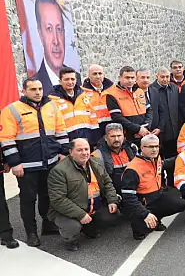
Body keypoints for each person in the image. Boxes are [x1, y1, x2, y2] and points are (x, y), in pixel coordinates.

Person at [0, 77, 68, 247]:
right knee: (28, 200)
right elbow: (6, 139)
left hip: (50, 162)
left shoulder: (51, 106)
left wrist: (63, 153)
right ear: (24, 91)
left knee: (48, 196)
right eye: (33, 89)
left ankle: (48, 224)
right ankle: (31, 232)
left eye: (39, 89)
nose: (37, 92)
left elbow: (60, 130)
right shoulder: (12, 110)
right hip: (27, 166)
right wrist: (14, 162)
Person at [47, 138, 119, 251]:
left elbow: (107, 183)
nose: (84, 153)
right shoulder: (59, 171)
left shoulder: (96, 163)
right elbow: (58, 200)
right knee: (73, 227)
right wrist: (80, 215)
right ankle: (69, 239)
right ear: (71, 152)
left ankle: (88, 227)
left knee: (112, 216)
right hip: (69, 211)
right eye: (79, 150)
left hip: (92, 206)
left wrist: (112, 200)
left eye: (86, 149)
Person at [121, 135, 185, 240]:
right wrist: (145, 214)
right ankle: (140, 225)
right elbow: (128, 197)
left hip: (157, 195)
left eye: (156, 146)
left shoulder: (156, 158)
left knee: (181, 204)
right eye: (150, 147)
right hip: (142, 203)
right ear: (142, 148)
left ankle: (156, 218)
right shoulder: (132, 169)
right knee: (144, 229)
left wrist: (183, 156)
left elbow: (164, 164)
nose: (155, 149)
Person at [105, 66, 152, 145]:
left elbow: (149, 110)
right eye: (127, 78)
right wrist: (138, 129)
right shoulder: (111, 94)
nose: (130, 80)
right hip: (127, 137)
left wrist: (146, 126)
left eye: (132, 78)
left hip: (144, 133)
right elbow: (117, 117)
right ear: (120, 78)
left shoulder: (139, 91)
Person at [32, 0, 70, 91]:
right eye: (49, 29)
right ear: (40, 33)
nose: (56, 41)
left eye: (59, 29)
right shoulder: (35, 85)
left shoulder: (76, 78)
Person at [49, 67, 92, 142]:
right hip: (67, 142)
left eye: (72, 79)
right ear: (60, 81)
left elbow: (92, 118)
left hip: (87, 140)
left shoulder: (84, 95)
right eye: (66, 79)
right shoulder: (53, 100)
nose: (70, 82)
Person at [91, 123, 136, 193]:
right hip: (113, 195)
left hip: (132, 193)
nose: (116, 139)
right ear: (106, 138)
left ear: (124, 136)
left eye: (119, 136)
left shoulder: (132, 149)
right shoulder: (97, 155)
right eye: (112, 136)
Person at [148, 67, 180, 161]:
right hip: (159, 132)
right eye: (162, 77)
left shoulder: (174, 88)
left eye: (167, 76)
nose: (165, 79)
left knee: (173, 160)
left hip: (174, 131)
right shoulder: (151, 90)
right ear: (156, 76)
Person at [81, 64, 114, 146]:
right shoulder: (82, 93)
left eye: (100, 73)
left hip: (111, 128)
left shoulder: (113, 89)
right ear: (89, 75)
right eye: (94, 74)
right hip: (94, 132)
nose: (98, 76)